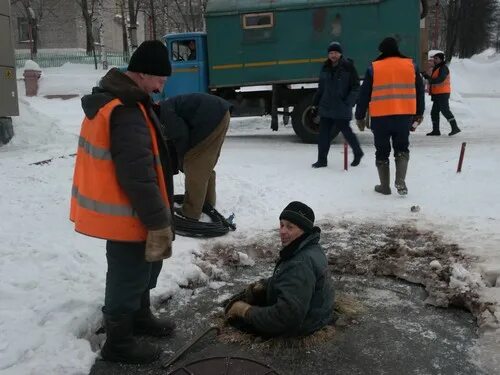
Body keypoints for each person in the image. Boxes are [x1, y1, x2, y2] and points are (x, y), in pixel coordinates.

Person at [70, 40, 176, 364]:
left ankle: (140, 316)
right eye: (159, 79)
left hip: (133, 209)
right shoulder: (125, 109)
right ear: (141, 74)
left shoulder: (128, 101)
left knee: (144, 267)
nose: (161, 87)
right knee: (127, 274)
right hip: (129, 212)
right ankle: (119, 343)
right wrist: (158, 218)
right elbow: (137, 174)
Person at [225, 201, 335, 337]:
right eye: (282, 225)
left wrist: (244, 311)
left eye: (290, 227)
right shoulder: (311, 247)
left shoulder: (299, 264)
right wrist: (265, 285)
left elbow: (285, 318)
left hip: (305, 325)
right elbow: (289, 278)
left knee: (238, 321)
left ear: (304, 230)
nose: (282, 231)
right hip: (317, 314)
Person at [355, 37, 425, 196]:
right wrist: (419, 113)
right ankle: (400, 181)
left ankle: (384, 186)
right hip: (404, 116)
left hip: (380, 117)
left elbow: (364, 94)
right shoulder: (411, 65)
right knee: (402, 148)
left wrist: (359, 116)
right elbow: (419, 91)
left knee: (382, 151)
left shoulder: (374, 67)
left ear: (382, 51)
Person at [158, 93, 232, 220]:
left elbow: (180, 134)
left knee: (194, 166)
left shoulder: (164, 111)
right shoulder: (168, 106)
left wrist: (185, 157)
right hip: (220, 114)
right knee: (205, 164)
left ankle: (191, 212)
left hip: (211, 118)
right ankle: (207, 202)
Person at [311, 41, 363, 168]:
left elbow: (356, 87)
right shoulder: (325, 67)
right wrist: (315, 103)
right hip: (326, 106)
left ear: (340, 54)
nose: (333, 55)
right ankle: (322, 160)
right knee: (323, 134)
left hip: (341, 106)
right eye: (331, 53)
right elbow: (321, 88)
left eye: (335, 52)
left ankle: (358, 152)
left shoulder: (348, 67)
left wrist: (349, 102)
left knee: (346, 132)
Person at [422, 52, 461, 136]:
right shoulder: (437, 68)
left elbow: (440, 79)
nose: (434, 60)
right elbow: (433, 79)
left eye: (436, 59)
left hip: (443, 93)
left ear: (440, 59)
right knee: (434, 112)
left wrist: (429, 80)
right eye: (434, 59)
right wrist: (426, 76)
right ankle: (436, 131)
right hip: (437, 94)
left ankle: (455, 127)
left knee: (445, 110)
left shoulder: (443, 68)